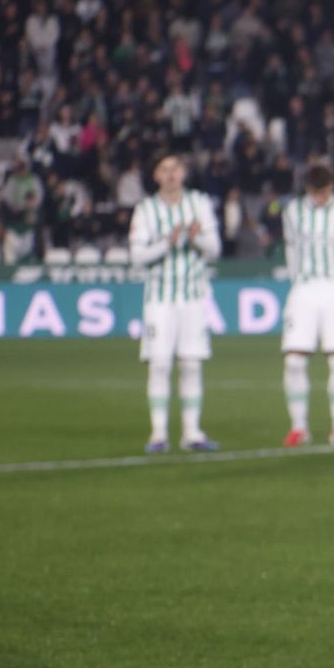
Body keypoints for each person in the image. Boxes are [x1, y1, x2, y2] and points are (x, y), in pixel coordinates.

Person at [128, 155, 221, 453]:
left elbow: (215, 249)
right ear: (156, 175)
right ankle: (158, 434)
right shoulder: (146, 209)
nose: (171, 175)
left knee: (191, 364)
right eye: (164, 170)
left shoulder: (199, 203)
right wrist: (168, 242)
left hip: (193, 297)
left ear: (183, 173)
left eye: (175, 169)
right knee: (159, 364)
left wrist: (196, 239)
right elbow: (138, 257)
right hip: (159, 299)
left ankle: (192, 432)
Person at [280, 161, 334, 448]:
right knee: (294, 361)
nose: (319, 197)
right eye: (315, 192)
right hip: (303, 289)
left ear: (332, 187)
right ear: (307, 189)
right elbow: (291, 246)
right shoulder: (293, 212)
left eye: (324, 191)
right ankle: (298, 428)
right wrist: (297, 280)